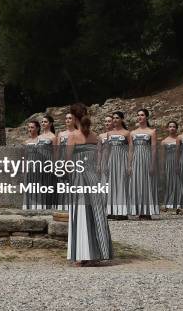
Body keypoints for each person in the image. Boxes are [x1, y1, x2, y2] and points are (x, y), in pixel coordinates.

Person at [66, 103, 113, 266]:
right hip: (93, 179)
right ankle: (97, 253)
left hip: (78, 179)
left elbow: (68, 162)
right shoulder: (97, 137)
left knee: (81, 215)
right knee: (96, 214)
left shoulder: (72, 136)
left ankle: (82, 255)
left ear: (74, 118)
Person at [128, 109, 158, 219]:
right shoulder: (132, 133)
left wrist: (152, 164)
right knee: (136, 183)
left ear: (146, 117)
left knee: (147, 183)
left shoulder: (152, 132)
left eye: (142, 115)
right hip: (136, 159)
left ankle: (147, 211)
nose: (140, 117)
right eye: (138, 115)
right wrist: (129, 165)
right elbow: (131, 150)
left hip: (146, 159)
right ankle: (138, 210)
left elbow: (154, 149)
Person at [106, 112, 130, 219]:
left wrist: (129, 164)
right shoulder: (109, 134)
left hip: (122, 159)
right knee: (112, 184)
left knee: (121, 184)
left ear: (122, 119)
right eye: (113, 118)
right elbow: (107, 149)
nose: (115, 120)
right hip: (112, 160)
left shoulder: (127, 133)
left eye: (117, 118)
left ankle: (122, 212)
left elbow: (131, 149)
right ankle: (111, 210)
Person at [56, 113, 77, 211]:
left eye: (70, 118)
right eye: (66, 118)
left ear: (74, 120)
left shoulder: (78, 133)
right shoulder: (61, 134)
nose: (67, 120)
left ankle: (74, 206)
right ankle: (62, 206)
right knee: (62, 183)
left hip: (74, 159)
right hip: (62, 159)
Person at [38, 115, 57, 208]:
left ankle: (49, 205)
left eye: (45, 122)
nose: (43, 123)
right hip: (39, 162)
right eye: (42, 122)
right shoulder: (39, 136)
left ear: (50, 124)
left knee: (48, 183)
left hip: (48, 161)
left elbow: (56, 152)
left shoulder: (53, 137)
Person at [161, 121, 180, 212]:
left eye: (174, 127)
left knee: (179, 182)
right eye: (170, 126)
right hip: (168, 162)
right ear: (167, 128)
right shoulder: (164, 141)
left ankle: (179, 203)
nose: (172, 128)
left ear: (176, 128)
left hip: (179, 162)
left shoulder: (179, 140)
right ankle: (168, 202)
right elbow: (163, 155)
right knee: (169, 182)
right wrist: (163, 167)